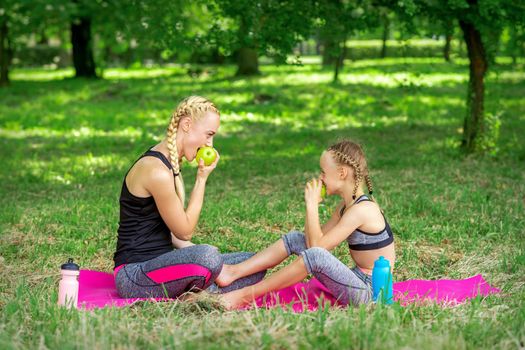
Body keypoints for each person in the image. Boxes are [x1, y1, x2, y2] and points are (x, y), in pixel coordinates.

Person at [113, 96, 265, 299]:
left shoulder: (170, 163)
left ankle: (201, 284)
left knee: (252, 263)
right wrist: (201, 178)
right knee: (208, 256)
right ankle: (205, 284)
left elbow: (176, 237)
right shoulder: (156, 170)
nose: (210, 144)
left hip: (165, 264)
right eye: (209, 134)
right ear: (186, 125)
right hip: (135, 276)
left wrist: (215, 260)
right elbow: (184, 231)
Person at [218, 140, 396, 309]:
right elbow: (313, 241)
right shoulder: (345, 207)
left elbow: (317, 249)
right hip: (357, 279)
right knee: (297, 239)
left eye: (324, 172)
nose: (321, 177)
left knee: (316, 256)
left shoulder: (362, 210)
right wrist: (311, 206)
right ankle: (233, 272)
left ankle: (245, 295)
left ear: (342, 173)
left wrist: (312, 205)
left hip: (372, 293)